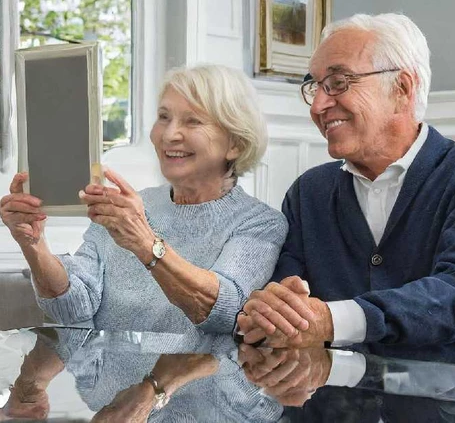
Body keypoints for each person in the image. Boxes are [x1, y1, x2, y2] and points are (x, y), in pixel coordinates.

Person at [237, 13, 455, 368]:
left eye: (337, 82)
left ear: (402, 89)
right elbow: (283, 304)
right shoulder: (310, 193)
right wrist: (266, 316)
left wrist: (330, 321)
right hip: (340, 405)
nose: (318, 106)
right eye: (315, 87)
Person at [0, 64, 288, 333]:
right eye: (164, 117)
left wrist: (145, 243)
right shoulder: (129, 207)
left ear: (235, 144)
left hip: (197, 386)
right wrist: (34, 245)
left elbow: (225, 310)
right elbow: (72, 307)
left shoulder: (260, 223)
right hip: (103, 386)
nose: (170, 134)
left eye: (193, 121)